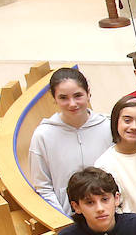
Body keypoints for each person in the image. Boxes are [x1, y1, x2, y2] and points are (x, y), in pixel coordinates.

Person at [28, 67, 113, 216]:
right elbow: (43, 186)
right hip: (68, 217)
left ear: (88, 93)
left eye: (78, 95)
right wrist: (63, 220)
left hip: (109, 214)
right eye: (63, 98)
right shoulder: (43, 135)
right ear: (54, 98)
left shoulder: (108, 126)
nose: (72, 103)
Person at [94, 96, 136, 227]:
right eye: (127, 120)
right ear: (116, 121)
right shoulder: (103, 164)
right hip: (127, 234)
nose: (134, 127)